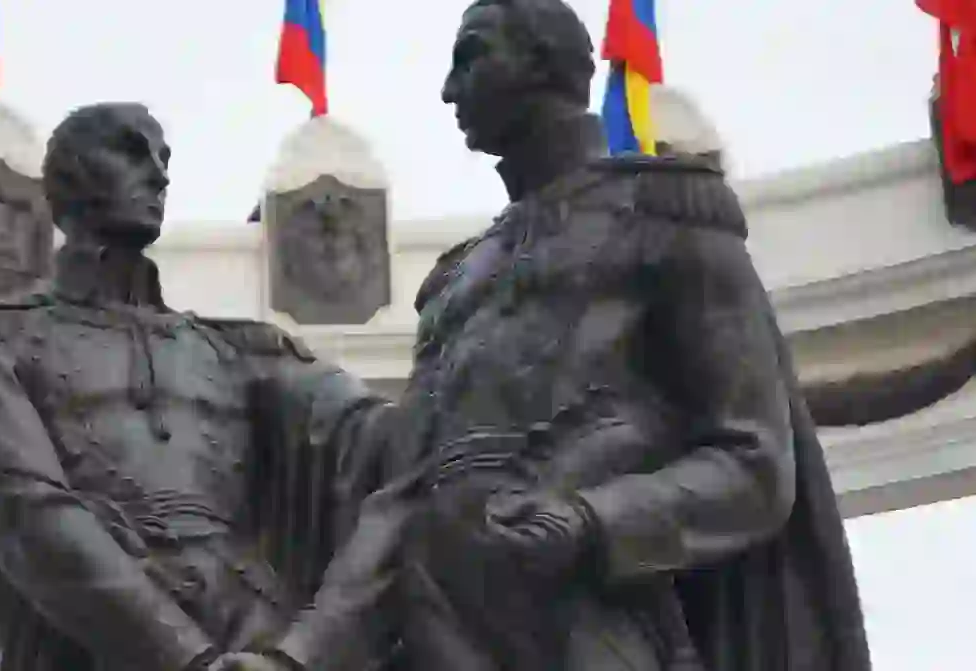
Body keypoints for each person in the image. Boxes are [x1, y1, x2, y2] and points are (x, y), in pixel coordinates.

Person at [251, 1, 873, 669]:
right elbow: (403, 496)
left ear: (542, 61)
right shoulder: (455, 281)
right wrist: (297, 653)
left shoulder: (666, 218)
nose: (449, 90)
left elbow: (754, 461)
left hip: (589, 626)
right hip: (440, 629)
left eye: (472, 57)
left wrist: (593, 520)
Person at [0, 102, 393, 671]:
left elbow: (381, 439)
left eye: (164, 158)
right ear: (65, 178)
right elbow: (29, 514)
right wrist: (186, 658)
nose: (158, 174)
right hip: (95, 647)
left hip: (253, 638)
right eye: (131, 151)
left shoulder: (240, 352)